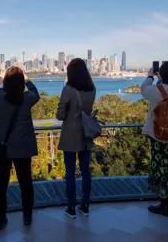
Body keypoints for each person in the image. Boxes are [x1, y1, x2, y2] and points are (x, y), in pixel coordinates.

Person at [0, 67, 40, 230]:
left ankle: (0, 219)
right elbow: (36, 92)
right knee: (26, 182)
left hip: (3, 148)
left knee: (0, 185)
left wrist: (1, 76)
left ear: (7, 83)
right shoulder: (28, 98)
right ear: (21, 83)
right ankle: (27, 216)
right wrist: (27, 79)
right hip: (22, 148)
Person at [141, 61, 168, 216]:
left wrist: (150, 75)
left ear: (161, 74)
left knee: (161, 169)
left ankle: (164, 204)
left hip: (159, 136)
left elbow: (144, 88)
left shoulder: (155, 92)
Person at [56, 58, 96, 218]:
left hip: (70, 135)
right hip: (86, 133)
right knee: (86, 171)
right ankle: (85, 205)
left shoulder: (68, 89)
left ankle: (71, 208)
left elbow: (60, 114)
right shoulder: (92, 88)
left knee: (70, 172)